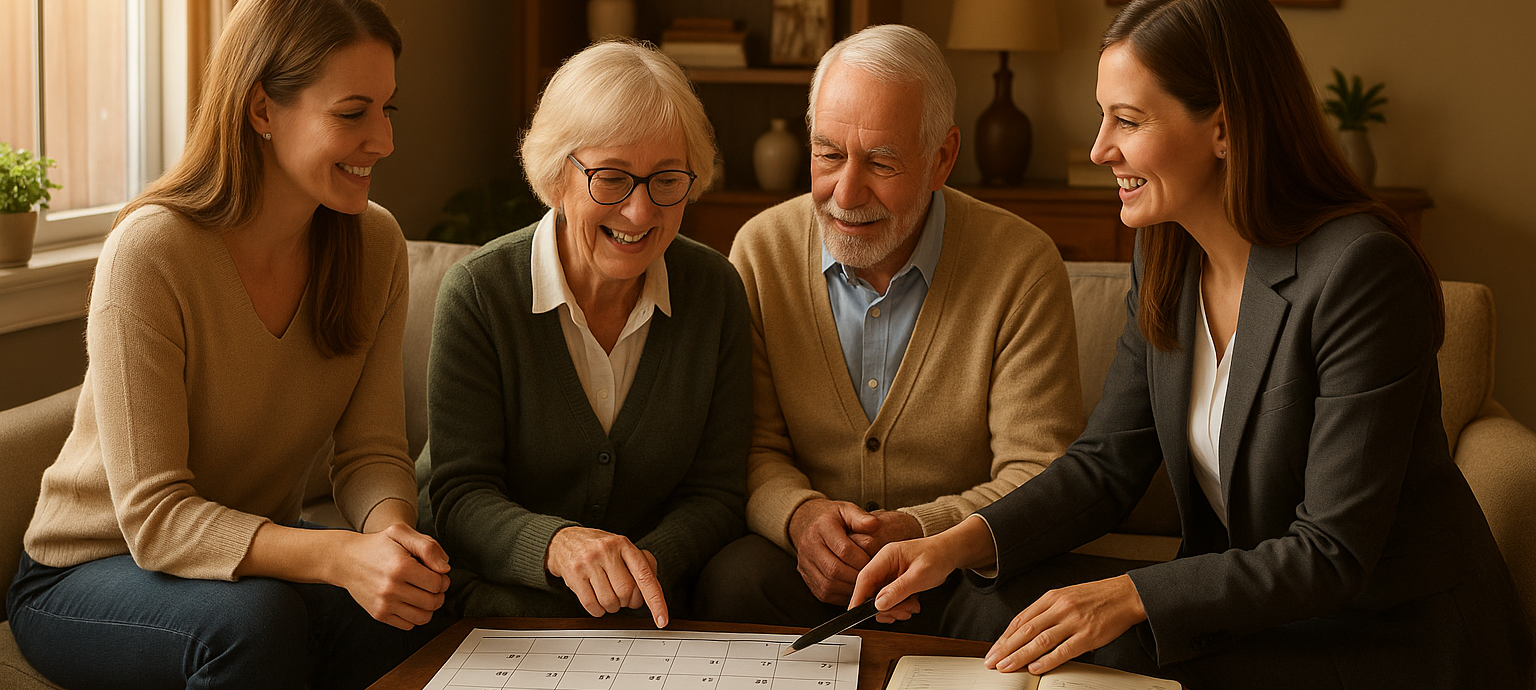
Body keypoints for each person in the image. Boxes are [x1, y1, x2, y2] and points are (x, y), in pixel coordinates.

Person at [849, 0, 1531, 687]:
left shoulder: (1361, 271)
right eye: (1103, 116)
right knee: (985, 594)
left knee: (1109, 644)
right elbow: (1106, 466)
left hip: (1379, 631)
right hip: (1259, 608)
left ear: (1224, 129)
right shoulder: (1166, 254)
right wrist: (950, 544)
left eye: (1128, 120)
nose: (1100, 149)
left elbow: (1333, 552)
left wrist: (1130, 596)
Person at [5, 1, 452, 688]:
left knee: (415, 604)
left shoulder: (374, 245)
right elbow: (155, 521)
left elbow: (371, 452)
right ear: (262, 109)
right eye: (352, 113)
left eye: (387, 110)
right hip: (89, 570)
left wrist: (389, 539)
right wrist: (338, 558)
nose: (384, 141)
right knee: (257, 623)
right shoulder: (152, 252)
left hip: (241, 563)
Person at [692, 24, 1084, 637]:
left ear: (943, 157)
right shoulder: (762, 251)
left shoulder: (1022, 264)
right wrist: (801, 517)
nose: (846, 193)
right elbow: (751, 447)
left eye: (881, 162)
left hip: (961, 570)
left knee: (1023, 607)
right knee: (734, 579)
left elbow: (1039, 470)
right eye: (828, 155)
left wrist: (922, 532)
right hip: (815, 570)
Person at [421, 40, 750, 627]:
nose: (640, 212)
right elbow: (460, 496)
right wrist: (559, 547)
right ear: (557, 176)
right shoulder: (478, 294)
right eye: (612, 178)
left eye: (666, 179)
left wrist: (646, 565)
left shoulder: (714, 291)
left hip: (652, 605)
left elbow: (718, 493)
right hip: (504, 600)